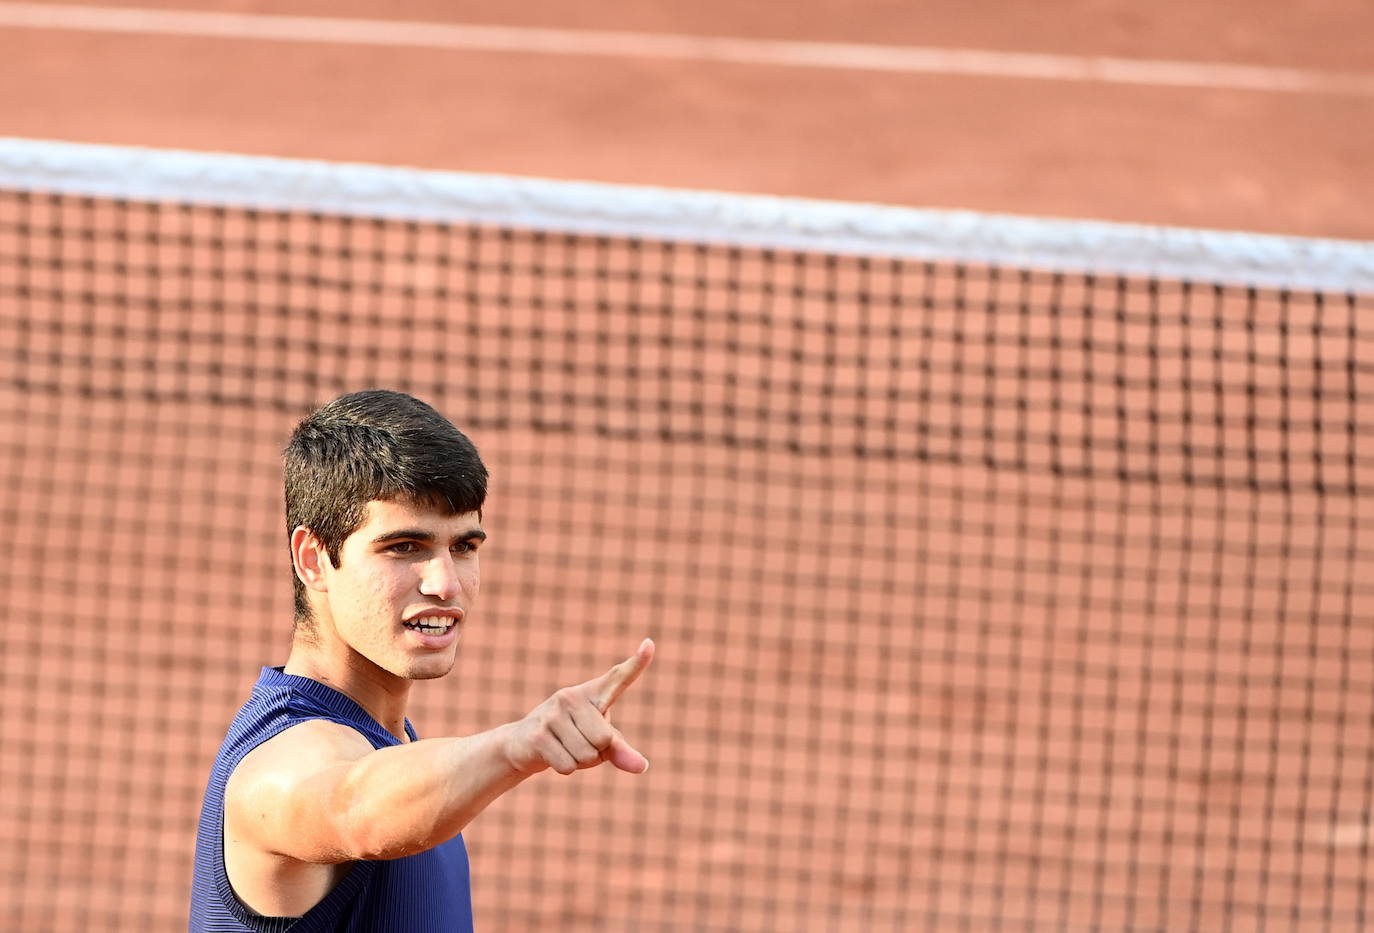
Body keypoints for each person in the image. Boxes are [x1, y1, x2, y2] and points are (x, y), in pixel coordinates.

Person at [189, 389, 654, 931]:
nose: (445, 584)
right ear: (313, 560)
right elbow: (350, 807)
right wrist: (516, 744)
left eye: (464, 546)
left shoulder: (394, 746)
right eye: (404, 547)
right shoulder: (280, 761)